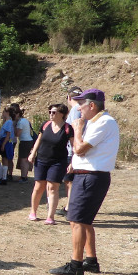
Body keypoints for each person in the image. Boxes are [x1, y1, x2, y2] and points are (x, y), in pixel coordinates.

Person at [50, 89, 119, 275]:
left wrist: (77, 129)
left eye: (81, 104)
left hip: (91, 177)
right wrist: (75, 164)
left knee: (77, 221)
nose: (78, 108)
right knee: (83, 221)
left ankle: (76, 265)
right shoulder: (98, 122)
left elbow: (79, 148)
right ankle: (90, 261)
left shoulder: (103, 122)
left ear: (92, 105)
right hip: (88, 175)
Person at [28, 104, 74, 225]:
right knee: (39, 186)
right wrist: (33, 153)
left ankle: (50, 216)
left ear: (62, 114)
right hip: (41, 160)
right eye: (50, 112)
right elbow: (39, 139)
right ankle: (33, 212)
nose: (51, 114)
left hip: (58, 162)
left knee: (53, 187)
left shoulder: (68, 128)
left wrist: (73, 162)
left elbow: (74, 147)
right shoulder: (45, 125)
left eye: (54, 112)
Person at [59, 86, 84, 216]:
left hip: (72, 150)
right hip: (78, 149)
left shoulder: (75, 110)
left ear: (69, 98)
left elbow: (74, 132)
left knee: (69, 180)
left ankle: (70, 207)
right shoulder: (82, 109)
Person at [12, 104, 34, 182]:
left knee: (23, 160)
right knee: (25, 160)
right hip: (29, 141)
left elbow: (17, 134)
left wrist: (14, 127)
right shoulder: (25, 120)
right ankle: (25, 176)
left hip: (25, 142)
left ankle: (23, 177)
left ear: (18, 114)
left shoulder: (20, 122)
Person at [0, 107, 14, 185]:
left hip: (6, 142)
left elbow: (8, 134)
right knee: (4, 159)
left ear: (7, 113)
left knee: (5, 159)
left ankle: (4, 178)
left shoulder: (9, 122)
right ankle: (3, 177)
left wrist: (3, 144)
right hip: (4, 140)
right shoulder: (6, 122)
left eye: (4, 112)